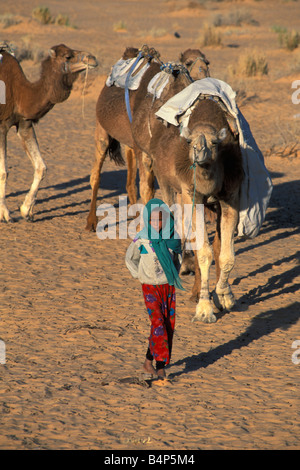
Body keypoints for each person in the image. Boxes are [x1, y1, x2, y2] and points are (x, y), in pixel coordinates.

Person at [125, 198, 184, 380]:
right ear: (147, 220)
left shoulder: (173, 239)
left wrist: (172, 275)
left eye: (160, 219)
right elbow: (130, 259)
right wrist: (139, 275)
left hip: (168, 287)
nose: (156, 223)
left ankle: (148, 361)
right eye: (152, 220)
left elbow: (178, 261)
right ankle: (160, 367)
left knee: (166, 325)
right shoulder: (142, 238)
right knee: (158, 323)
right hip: (149, 287)